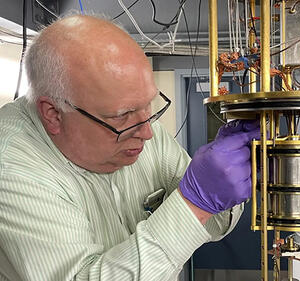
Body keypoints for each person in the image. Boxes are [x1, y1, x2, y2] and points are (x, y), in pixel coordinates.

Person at [0, 15, 259, 281]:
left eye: (148, 105)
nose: (147, 133)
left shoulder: (140, 128)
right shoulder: (12, 168)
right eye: (122, 115)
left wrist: (229, 178)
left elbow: (213, 224)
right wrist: (193, 205)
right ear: (53, 114)